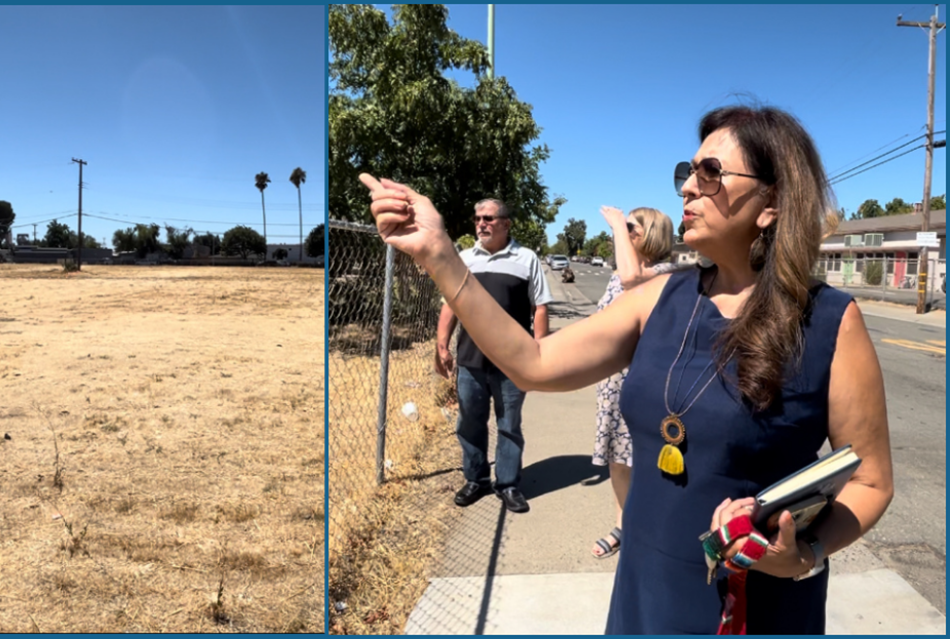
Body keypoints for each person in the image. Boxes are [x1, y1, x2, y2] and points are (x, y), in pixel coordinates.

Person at [360, 104, 893, 634]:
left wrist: (807, 552)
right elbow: (534, 364)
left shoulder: (829, 322)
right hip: (646, 583)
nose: (686, 187)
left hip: (754, 603)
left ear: (772, 203)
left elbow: (871, 480)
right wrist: (439, 255)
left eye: (711, 174)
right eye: (687, 172)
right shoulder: (657, 298)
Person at [435, 198, 552, 514]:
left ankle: (508, 484)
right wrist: (442, 345)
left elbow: (539, 306)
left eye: (488, 218)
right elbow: (450, 305)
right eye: (477, 219)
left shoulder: (526, 259)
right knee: (469, 423)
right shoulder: (463, 260)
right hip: (471, 360)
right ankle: (476, 479)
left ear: (506, 223)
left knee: (509, 425)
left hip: (512, 362)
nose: (481, 224)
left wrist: (539, 349)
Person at [590, 205, 693, 560]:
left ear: (649, 234)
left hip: (652, 385)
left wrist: (617, 222)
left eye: (630, 228)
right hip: (615, 385)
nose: (621, 233)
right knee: (618, 463)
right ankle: (623, 524)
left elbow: (634, 281)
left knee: (650, 462)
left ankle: (653, 531)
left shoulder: (669, 277)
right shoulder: (618, 275)